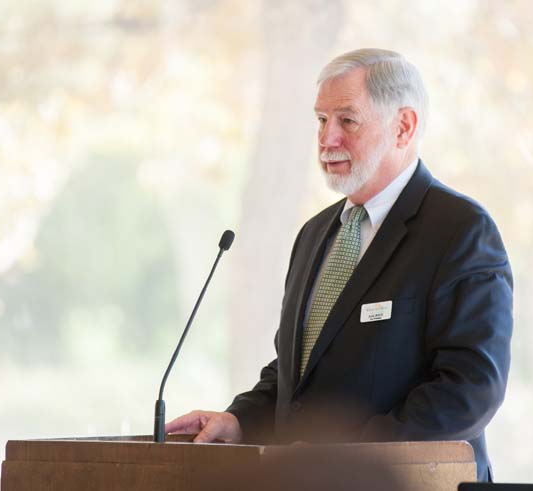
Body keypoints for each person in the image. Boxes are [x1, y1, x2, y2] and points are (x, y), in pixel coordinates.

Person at [166, 48, 513, 482]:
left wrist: (348, 453)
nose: (327, 139)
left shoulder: (460, 230)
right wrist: (239, 420)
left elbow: (470, 389)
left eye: (347, 120)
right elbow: (295, 373)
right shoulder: (315, 234)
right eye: (320, 120)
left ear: (403, 127)